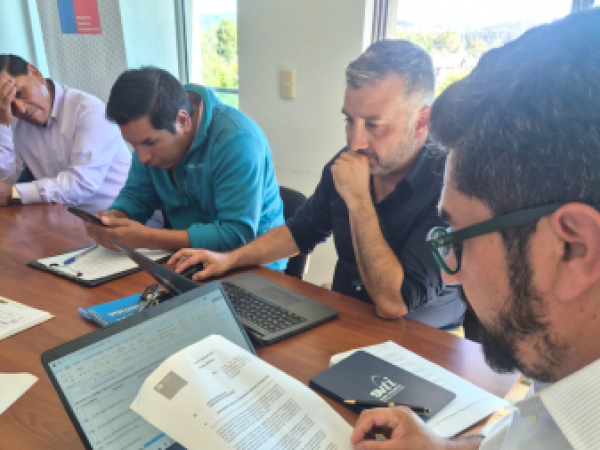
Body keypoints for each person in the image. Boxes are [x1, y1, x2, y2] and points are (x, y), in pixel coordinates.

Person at [350, 8, 600, 450]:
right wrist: (442, 448)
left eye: (458, 240)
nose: (452, 275)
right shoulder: (565, 361)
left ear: (573, 249)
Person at [170, 40, 465, 328]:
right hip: (346, 317)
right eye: (350, 121)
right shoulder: (349, 161)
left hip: (419, 339)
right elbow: (301, 231)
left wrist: (359, 201)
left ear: (421, 121)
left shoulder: (451, 186)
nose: (355, 142)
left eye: (374, 125)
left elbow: (393, 303)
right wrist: (229, 259)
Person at [85, 67, 286, 269]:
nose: (142, 157)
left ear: (183, 121)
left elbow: (236, 234)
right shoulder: (149, 139)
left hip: (252, 267)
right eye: (133, 145)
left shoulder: (237, 140)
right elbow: (137, 197)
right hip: (187, 259)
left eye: (150, 143)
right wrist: (114, 220)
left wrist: (148, 238)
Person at [0, 54, 131, 211]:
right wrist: (3, 125)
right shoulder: (13, 120)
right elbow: (4, 183)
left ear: (35, 74)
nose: (21, 109)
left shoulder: (88, 110)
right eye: (9, 104)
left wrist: (16, 193)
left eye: (20, 93)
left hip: (120, 216)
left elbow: (81, 185)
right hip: (65, 217)